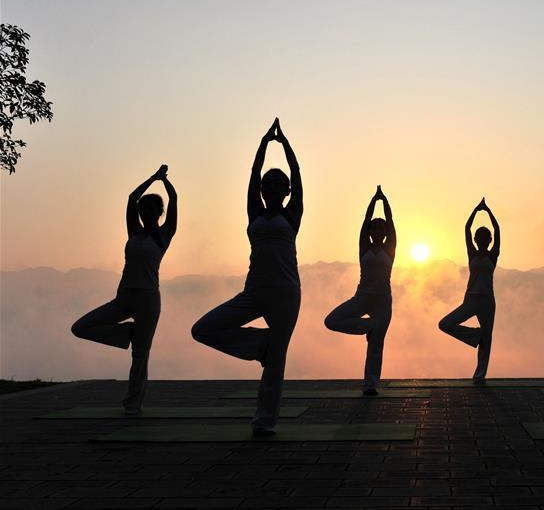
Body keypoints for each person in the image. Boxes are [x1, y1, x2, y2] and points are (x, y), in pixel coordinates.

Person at [192, 118, 302, 436]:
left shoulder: (291, 215)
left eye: (277, 186)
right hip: (254, 290)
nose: (270, 189)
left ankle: (264, 422)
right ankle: (260, 346)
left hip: (285, 291)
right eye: (268, 186)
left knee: (277, 361)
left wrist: (285, 145)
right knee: (204, 329)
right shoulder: (255, 212)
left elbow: (297, 174)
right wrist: (264, 144)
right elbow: (253, 178)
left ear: (287, 191)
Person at [72, 165, 177, 414]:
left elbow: (173, 199)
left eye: (151, 209)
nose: (146, 212)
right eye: (143, 209)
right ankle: (126, 334)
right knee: (81, 327)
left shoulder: (164, 235)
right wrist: (152, 178)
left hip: (148, 299)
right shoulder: (134, 232)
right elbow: (131, 198)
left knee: (140, 355)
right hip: (124, 296)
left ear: (160, 213)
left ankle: (133, 404)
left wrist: (164, 182)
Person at [324, 186, 396, 395]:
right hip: (362, 297)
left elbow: (391, 224)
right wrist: (374, 201)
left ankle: (370, 385)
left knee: (376, 346)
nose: (377, 232)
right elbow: (364, 224)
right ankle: (368, 326)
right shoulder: (363, 247)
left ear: (384, 234)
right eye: (374, 230)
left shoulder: (389, 249)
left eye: (380, 230)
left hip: (383, 300)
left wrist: (385, 202)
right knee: (332, 321)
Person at [438, 198, 500, 384]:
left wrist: (488, 212)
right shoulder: (472, 253)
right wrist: (475, 211)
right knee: (445, 324)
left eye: (485, 238)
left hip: (487, 300)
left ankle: (479, 376)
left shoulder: (492, 254)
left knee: (487, 341)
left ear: (488, 240)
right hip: (471, 299)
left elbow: (498, 231)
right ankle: (475, 335)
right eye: (479, 238)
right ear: (476, 240)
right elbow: (466, 229)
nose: (482, 240)